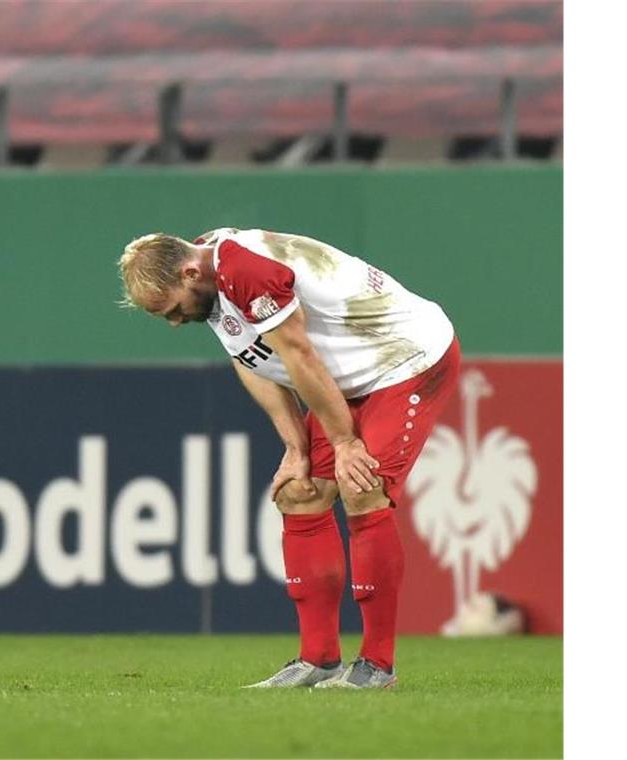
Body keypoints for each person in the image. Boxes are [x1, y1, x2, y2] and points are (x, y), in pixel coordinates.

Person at [117, 228, 460, 689]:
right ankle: (318, 659)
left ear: (189, 272)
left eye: (174, 309)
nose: (176, 321)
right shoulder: (211, 276)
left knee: (361, 486)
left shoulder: (244, 270)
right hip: (351, 379)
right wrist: (296, 448)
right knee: (299, 492)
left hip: (405, 359)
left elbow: (298, 354)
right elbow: (251, 359)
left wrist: (344, 443)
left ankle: (378, 666)